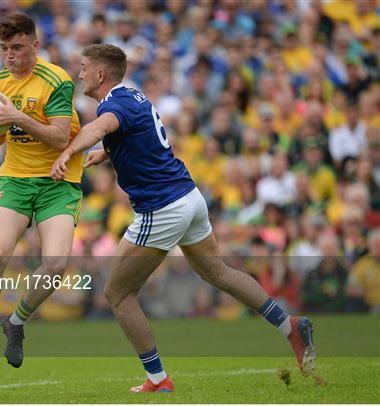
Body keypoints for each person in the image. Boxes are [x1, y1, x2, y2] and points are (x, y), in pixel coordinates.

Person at [51, 44, 316, 393]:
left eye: (84, 67)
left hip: (162, 208)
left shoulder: (113, 105)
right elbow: (134, 136)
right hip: (189, 197)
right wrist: (109, 152)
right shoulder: (134, 96)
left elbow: (100, 127)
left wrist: (70, 149)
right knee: (216, 271)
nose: (79, 72)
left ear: (101, 74)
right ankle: (289, 326)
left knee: (117, 292)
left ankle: (158, 379)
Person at [0, 13, 83, 375]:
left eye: (18, 48)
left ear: (35, 46)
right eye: (4, 49)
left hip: (58, 180)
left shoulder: (56, 80)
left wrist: (15, 117)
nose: (10, 56)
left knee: (56, 265)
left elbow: (59, 137)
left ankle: (16, 321)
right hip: (15, 178)